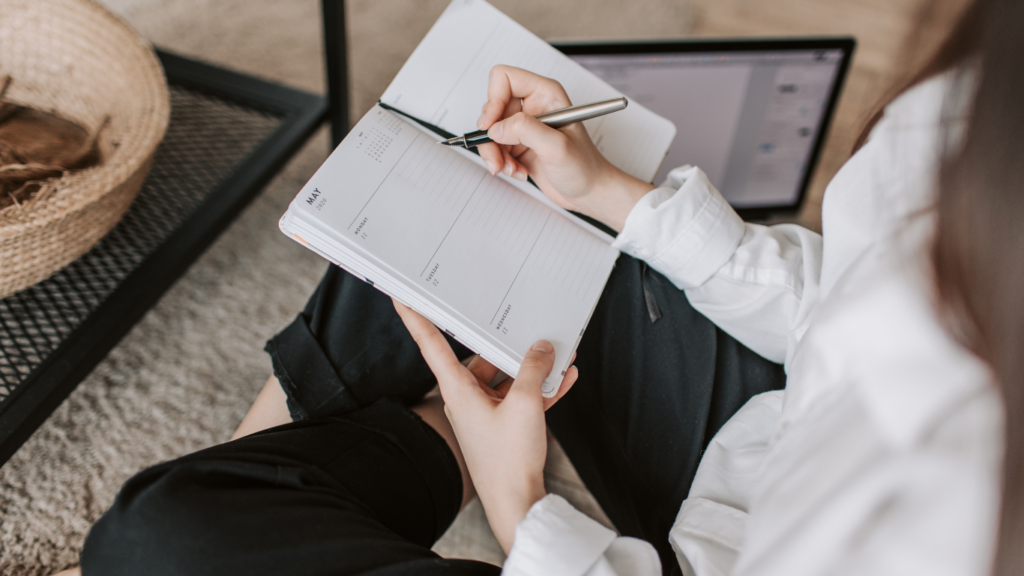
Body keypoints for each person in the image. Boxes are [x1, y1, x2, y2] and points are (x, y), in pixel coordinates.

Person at [58, 0, 1023, 573]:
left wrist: (522, 506)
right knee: (468, 210)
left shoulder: (959, 518)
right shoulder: (977, 112)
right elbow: (842, 304)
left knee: (152, 539)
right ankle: (320, 456)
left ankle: (307, 474)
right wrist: (616, 195)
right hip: (769, 420)